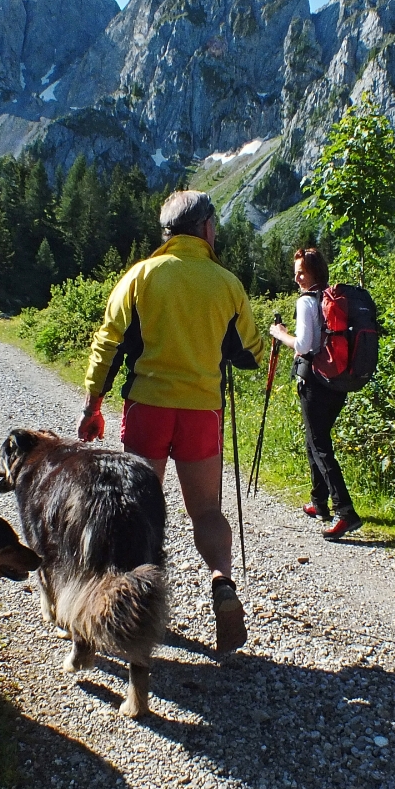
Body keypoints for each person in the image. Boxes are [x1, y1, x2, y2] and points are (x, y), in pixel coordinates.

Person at [79, 190, 264, 654]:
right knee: (206, 511)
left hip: (149, 408)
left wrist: (93, 405)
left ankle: (136, 612)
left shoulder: (140, 276)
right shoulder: (227, 283)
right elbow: (249, 353)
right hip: (202, 411)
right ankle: (222, 583)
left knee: (138, 511)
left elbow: (109, 343)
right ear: (204, 227)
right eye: (214, 225)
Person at [270, 248, 363, 541]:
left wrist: (280, 333)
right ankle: (319, 501)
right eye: (296, 271)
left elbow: (305, 346)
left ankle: (345, 511)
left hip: (315, 381)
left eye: (302, 272)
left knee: (319, 445)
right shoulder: (330, 298)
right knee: (316, 440)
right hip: (338, 380)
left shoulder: (308, 301)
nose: (297, 277)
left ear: (314, 273)